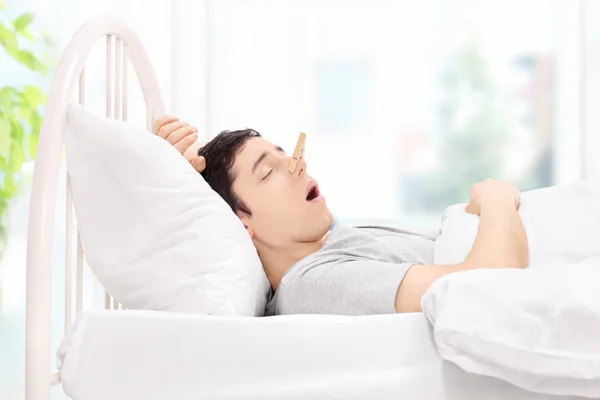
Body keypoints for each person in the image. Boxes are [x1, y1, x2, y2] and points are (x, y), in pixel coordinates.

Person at [153, 115, 529, 315]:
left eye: (286, 154)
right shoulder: (310, 284)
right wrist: (496, 198)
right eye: (268, 172)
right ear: (240, 224)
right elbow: (490, 284)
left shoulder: (332, 243)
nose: (296, 165)